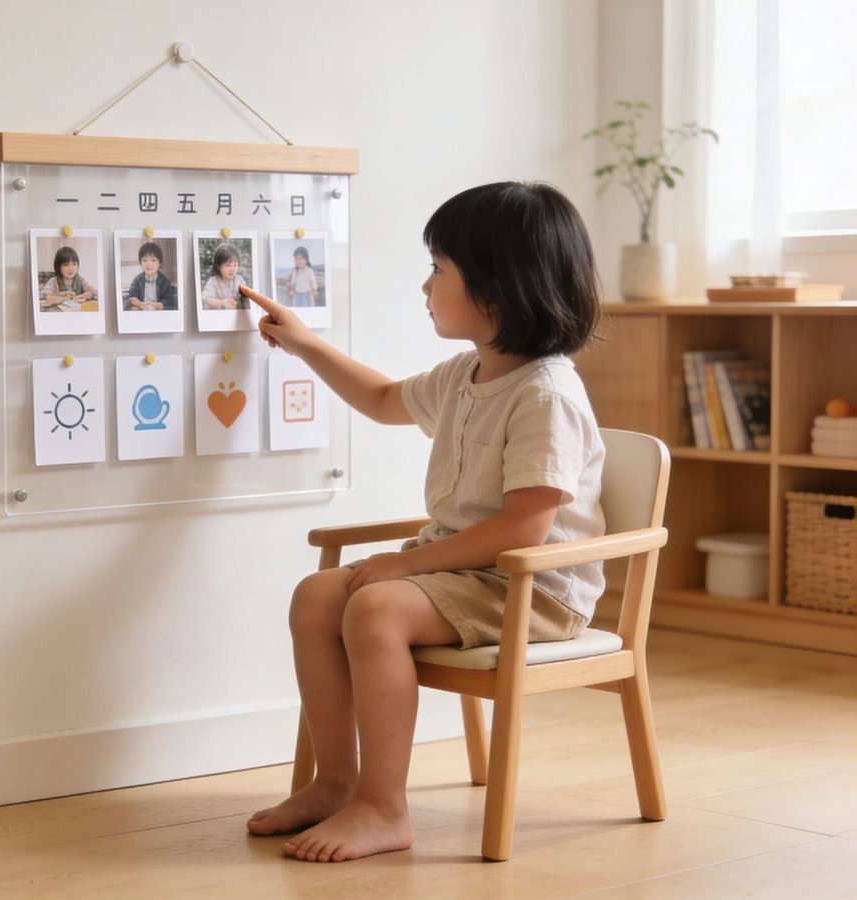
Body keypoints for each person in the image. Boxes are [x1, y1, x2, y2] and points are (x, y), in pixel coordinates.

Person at [242, 181, 604, 863]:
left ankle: (385, 807)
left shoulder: (545, 394)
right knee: (317, 595)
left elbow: (525, 529)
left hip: (533, 589)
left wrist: (402, 564)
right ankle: (335, 782)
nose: (425, 284)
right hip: (466, 572)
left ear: (498, 291)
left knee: (376, 610)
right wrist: (305, 344)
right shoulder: (469, 372)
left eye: (439, 269)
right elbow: (382, 399)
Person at [40, 246, 96, 312]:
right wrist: (64, 298)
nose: (71, 268)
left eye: (74, 264)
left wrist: (82, 296)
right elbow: (45, 297)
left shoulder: (80, 279)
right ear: (58, 266)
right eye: (66, 265)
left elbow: (93, 291)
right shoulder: (53, 281)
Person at [124, 241, 177, 310]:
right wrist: (140, 304)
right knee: (133, 308)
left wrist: (157, 305)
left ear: (159, 263)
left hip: (158, 311)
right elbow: (131, 298)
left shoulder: (164, 281)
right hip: (142, 310)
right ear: (140, 263)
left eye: (153, 260)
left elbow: (169, 300)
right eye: (145, 260)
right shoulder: (137, 280)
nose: (149, 264)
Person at [200, 242, 248, 309]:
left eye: (235, 265)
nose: (232, 269)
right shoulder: (213, 282)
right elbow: (205, 299)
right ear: (218, 266)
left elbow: (246, 298)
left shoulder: (239, 280)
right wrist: (222, 303)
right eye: (227, 265)